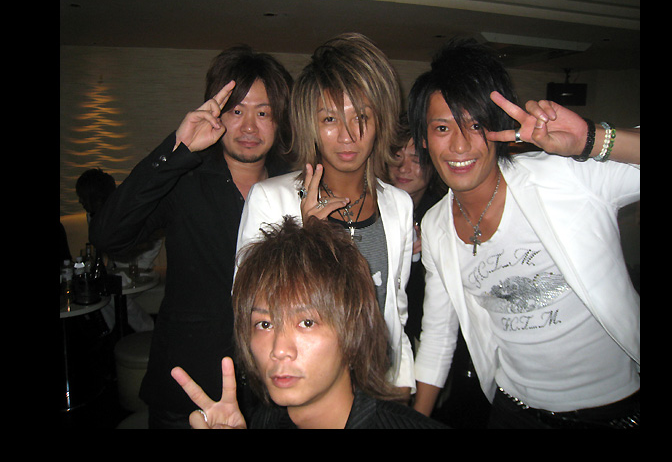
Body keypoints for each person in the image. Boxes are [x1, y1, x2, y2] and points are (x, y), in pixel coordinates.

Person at [408, 38, 640, 428]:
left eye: (476, 125)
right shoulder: (435, 227)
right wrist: (415, 420)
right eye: (443, 128)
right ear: (424, 138)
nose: (460, 145)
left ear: (498, 127)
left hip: (613, 410)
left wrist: (590, 139)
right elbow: (438, 336)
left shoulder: (564, 176)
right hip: (514, 411)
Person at [90, 45, 293, 428]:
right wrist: (176, 148)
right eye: (237, 111)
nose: (250, 127)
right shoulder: (184, 178)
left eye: (263, 113)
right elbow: (108, 235)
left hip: (272, 390)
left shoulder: (295, 187)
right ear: (216, 113)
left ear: (280, 120)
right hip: (189, 387)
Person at [236, 33, 415, 398]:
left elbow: (395, 307)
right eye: (330, 118)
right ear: (311, 125)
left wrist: (401, 384)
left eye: (361, 117)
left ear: (380, 120)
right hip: (305, 387)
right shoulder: (271, 199)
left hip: (379, 388)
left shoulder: (398, 203)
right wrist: (307, 240)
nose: (347, 135)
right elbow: (250, 311)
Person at [171, 216, 448, 428]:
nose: (279, 350)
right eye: (265, 324)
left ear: (353, 329)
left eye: (306, 322)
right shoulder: (261, 422)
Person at [76, 168, 158, 333]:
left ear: (96, 198)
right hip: (116, 271)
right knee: (97, 290)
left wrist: (136, 265)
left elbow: (154, 239)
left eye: (83, 197)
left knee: (112, 293)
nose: (80, 202)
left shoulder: (127, 212)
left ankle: (149, 329)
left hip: (139, 269)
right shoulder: (93, 216)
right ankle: (112, 333)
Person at [388, 117, 445, 350]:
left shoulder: (444, 214)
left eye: (416, 160)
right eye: (396, 157)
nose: (403, 168)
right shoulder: (371, 208)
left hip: (432, 334)